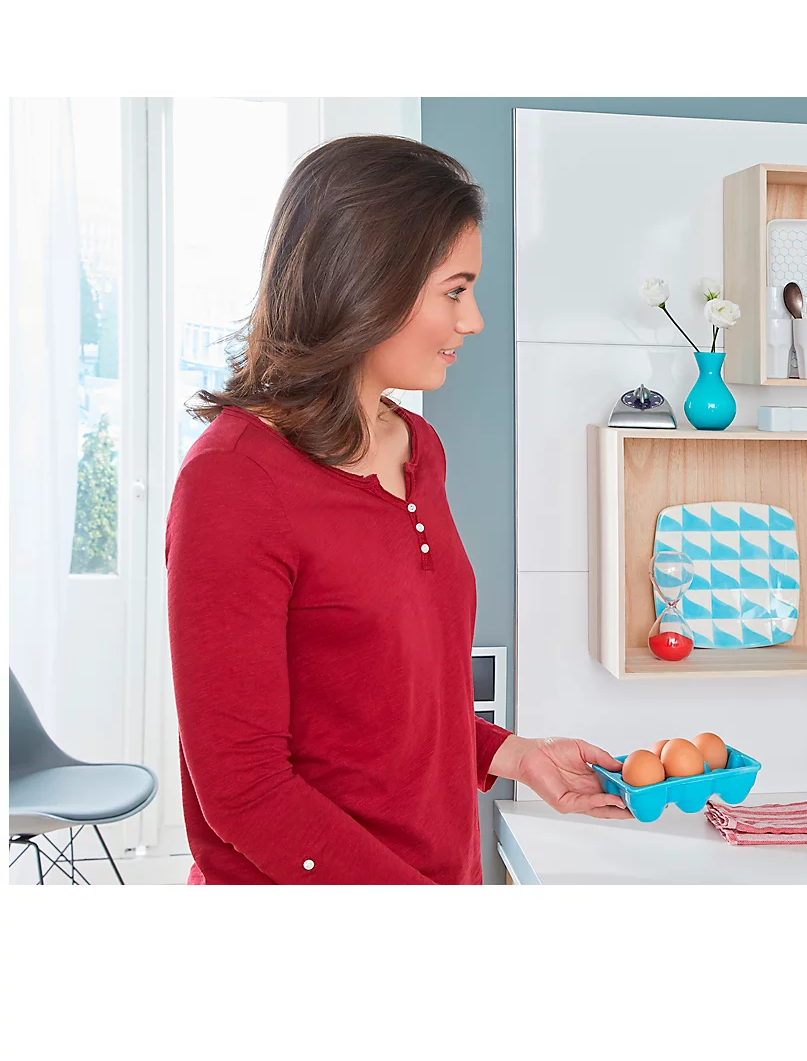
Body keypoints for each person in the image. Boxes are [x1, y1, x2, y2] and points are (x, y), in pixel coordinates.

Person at [165, 135, 630, 885]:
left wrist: (513, 755)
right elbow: (244, 793)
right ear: (366, 281)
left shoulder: (419, 448)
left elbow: (395, 705)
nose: (472, 320)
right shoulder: (233, 480)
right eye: (455, 290)